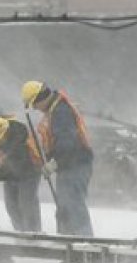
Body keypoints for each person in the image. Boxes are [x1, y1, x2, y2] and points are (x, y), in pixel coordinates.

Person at [21, 81, 94, 237]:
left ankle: (85, 247)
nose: (34, 109)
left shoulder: (61, 112)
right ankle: (69, 249)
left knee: (72, 205)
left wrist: (54, 163)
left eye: (33, 104)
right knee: (64, 208)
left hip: (76, 164)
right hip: (68, 165)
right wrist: (48, 160)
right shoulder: (55, 110)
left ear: (39, 98)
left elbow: (68, 144)